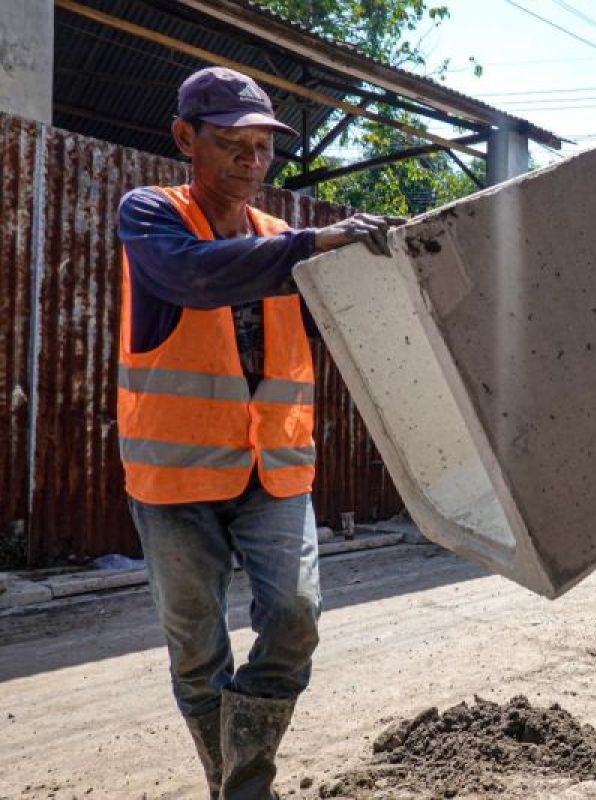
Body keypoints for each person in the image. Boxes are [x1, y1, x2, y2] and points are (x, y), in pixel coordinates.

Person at [117, 67, 403, 799]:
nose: (250, 160)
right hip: (176, 478)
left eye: (261, 147)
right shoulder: (151, 216)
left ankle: (240, 780)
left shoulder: (287, 239)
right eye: (230, 143)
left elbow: (358, 327)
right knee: (197, 652)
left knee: (296, 616)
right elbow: (192, 276)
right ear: (186, 139)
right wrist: (316, 246)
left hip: (274, 468)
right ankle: (243, 789)